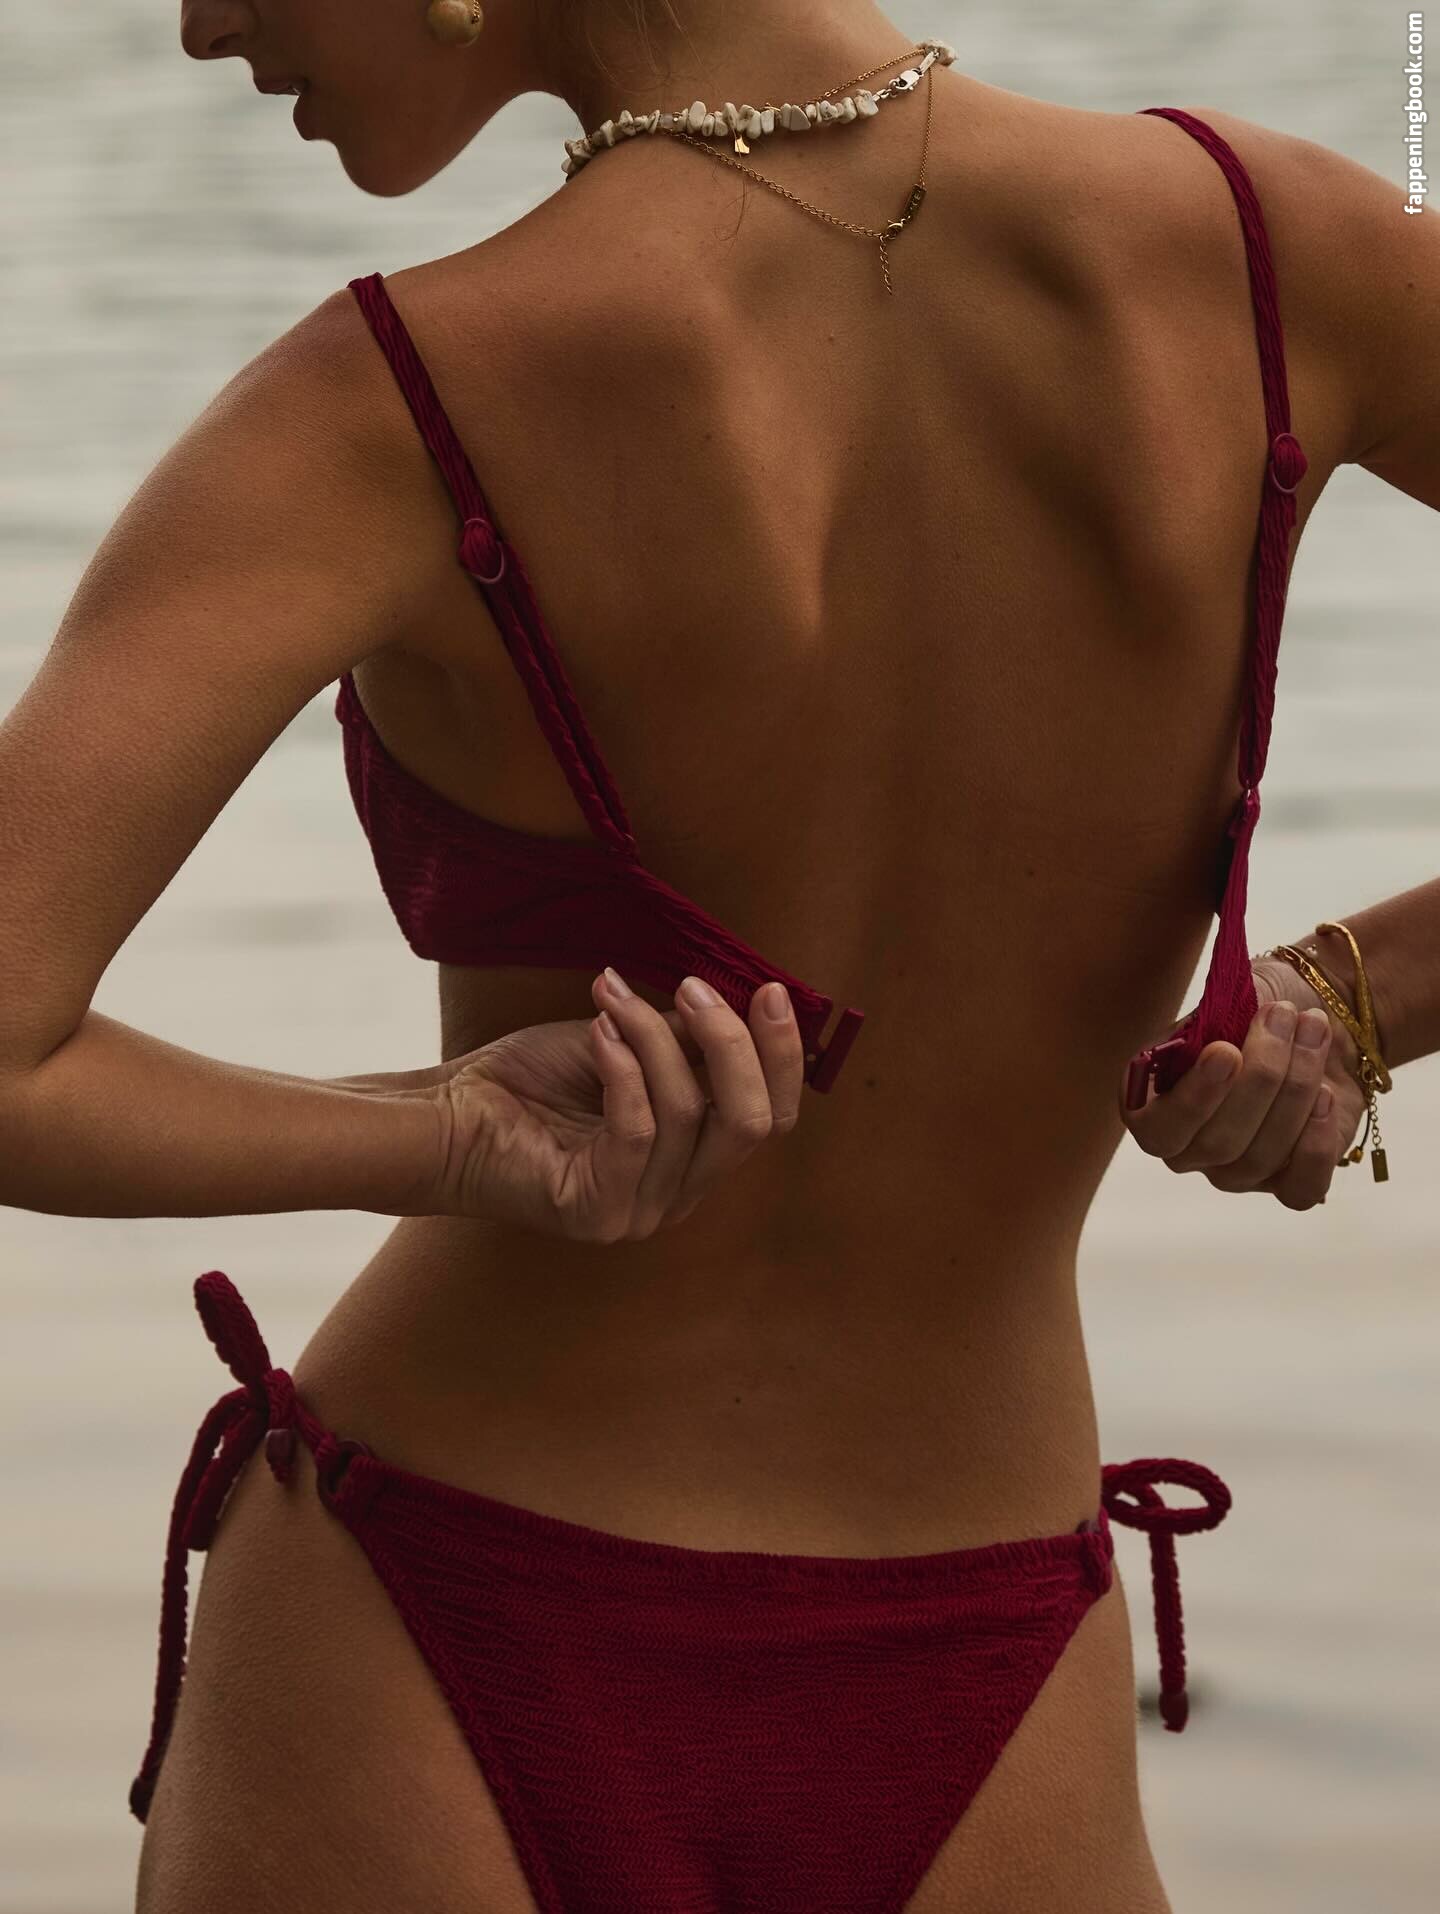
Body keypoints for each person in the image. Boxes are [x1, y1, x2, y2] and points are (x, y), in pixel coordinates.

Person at [0, 1, 1434, 1909]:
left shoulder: (388, 403)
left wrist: (452, 1137)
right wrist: (1360, 997)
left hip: (426, 1634)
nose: (200, 23)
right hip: (984, 1660)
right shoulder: (1277, 265)